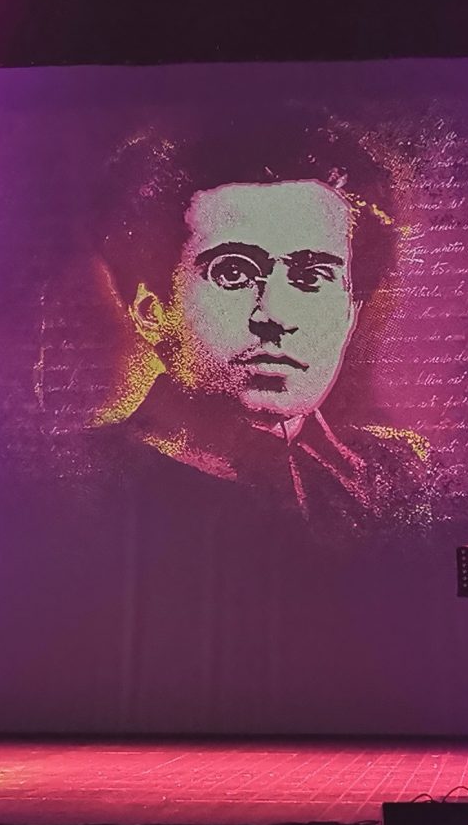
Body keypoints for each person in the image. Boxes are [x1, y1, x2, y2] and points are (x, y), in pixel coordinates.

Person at [84, 114, 431, 533]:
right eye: (233, 273)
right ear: (152, 311)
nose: (275, 316)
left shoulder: (398, 475)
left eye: (312, 276)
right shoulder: (89, 484)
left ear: (350, 312)